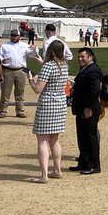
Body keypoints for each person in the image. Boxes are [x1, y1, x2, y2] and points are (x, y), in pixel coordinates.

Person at [27, 41, 69, 183]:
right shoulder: (64, 65)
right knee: (54, 139)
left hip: (47, 104)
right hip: (60, 104)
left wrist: (31, 79)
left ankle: (44, 175)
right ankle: (57, 169)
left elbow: (38, 89)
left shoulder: (48, 66)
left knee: (43, 140)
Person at [70, 47, 103, 175]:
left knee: (90, 137)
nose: (80, 59)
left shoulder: (93, 70)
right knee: (82, 137)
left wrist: (89, 107)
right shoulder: (86, 69)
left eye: (82, 57)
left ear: (90, 57)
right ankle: (83, 163)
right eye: (79, 57)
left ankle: (94, 165)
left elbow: (95, 90)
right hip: (81, 108)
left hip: (89, 109)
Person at [0, 29, 36, 118]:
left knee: (20, 91)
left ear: (19, 36)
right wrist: (1, 60)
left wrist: (34, 49)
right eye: (12, 35)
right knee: (5, 92)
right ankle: (3, 110)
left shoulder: (24, 45)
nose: (14, 37)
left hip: (21, 70)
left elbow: (32, 55)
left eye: (15, 36)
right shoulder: (4, 45)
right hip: (8, 69)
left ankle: (20, 110)